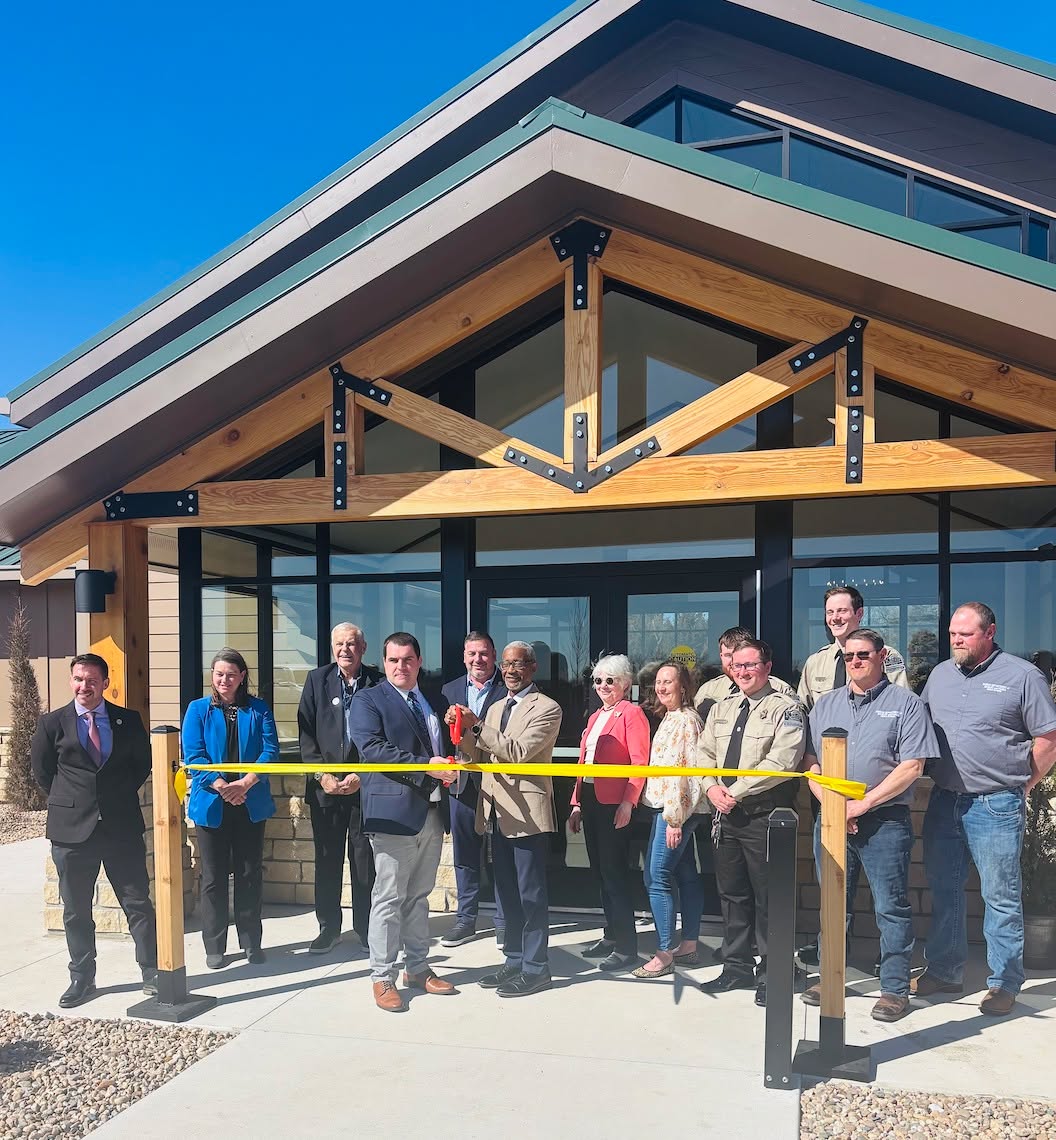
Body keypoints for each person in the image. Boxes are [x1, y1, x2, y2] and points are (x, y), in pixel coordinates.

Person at [914, 602, 1056, 1017]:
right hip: (945, 800)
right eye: (952, 634)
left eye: (965, 634)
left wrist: (1023, 784)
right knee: (944, 889)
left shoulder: (1022, 676)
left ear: (990, 632)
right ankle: (945, 970)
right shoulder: (940, 675)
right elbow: (918, 728)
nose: (956, 640)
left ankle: (1004, 983)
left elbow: (1048, 739)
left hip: (995, 803)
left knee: (1000, 896)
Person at [800, 628, 939, 1022]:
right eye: (849, 656)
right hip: (832, 819)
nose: (855, 661)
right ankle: (829, 978)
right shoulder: (825, 705)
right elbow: (810, 763)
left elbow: (912, 766)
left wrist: (860, 806)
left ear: (881, 657)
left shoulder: (907, 704)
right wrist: (835, 806)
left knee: (890, 906)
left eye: (863, 654)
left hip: (884, 820)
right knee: (833, 904)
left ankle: (894, 989)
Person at [31, 653, 158, 1009]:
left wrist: (112, 798)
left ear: (105, 682)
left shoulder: (128, 720)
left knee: (138, 903)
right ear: (71, 681)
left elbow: (141, 766)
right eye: (78, 679)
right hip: (72, 832)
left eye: (91, 680)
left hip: (120, 827)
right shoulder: (52, 723)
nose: (83, 686)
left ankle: (152, 971)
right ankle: (82, 977)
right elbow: (43, 773)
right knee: (76, 910)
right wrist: (74, 802)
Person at [796, 587, 910, 966]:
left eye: (843, 611)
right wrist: (830, 798)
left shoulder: (885, 656)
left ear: (859, 613)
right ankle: (833, 957)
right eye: (830, 612)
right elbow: (806, 718)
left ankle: (886, 961)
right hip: (827, 795)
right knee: (833, 889)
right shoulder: (815, 663)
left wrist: (859, 804)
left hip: (875, 800)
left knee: (886, 894)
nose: (836, 618)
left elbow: (898, 715)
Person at [349, 632, 458, 1012]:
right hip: (392, 815)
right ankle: (382, 976)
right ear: (384, 663)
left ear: (419, 661)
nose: (401, 666)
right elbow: (373, 749)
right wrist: (427, 767)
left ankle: (417, 967)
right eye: (394, 660)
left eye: (408, 659)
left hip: (432, 811)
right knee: (389, 898)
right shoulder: (368, 700)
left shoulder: (433, 700)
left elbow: (442, 747)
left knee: (419, 896)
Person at [449, 641, 562, 996]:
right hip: (495, 811)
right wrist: (461, 730)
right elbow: (477, 753)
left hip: (528, 814)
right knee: (507, 893)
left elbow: (518, 752)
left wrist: (477, 726)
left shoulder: (547, 708)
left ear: (533, 668)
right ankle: (513, 960)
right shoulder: (496, 707)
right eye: (507, 664)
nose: (511, 671)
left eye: (519, 664)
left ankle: (536, 968)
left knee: (530, 894)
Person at [699, 638, 806, 1006]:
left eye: (750, 665)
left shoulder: (786, 708)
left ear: (767, 667)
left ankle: (774, 972)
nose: (742, 671)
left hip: (764, 815)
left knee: (768, 897)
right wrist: (711, 788)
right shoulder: (722, 708)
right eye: (737, 665)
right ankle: (736, 967)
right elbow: (703, 753)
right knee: (732, 895)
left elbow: (782, 762)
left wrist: (735, 790)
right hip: (726, 814)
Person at [183, 648, 278, 969]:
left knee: (250, 874)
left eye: (231, 674)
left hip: (250, 802)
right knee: (213, 877)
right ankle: (215, 945)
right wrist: (223, 786)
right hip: (212, 803)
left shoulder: (259, 709)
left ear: (242, 677)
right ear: (212, 676)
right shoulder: (197, 710)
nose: (225, 680)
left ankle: (251, 942)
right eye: (219, 674)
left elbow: (270, 751)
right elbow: (194, 755)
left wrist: (245, 784)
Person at [297, 622, 382, 955]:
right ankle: (328, 928)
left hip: (364, 789)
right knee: (327, 859)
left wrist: (363, 773)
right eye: (339, 644)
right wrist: (322, 775)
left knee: (364, 862)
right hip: (326, 789)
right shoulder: (316, 680)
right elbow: (305, 734)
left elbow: (383, 733)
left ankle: (365, 929)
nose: (345, 649)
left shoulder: (377, 681)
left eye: (351, 644)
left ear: (363, 648)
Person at [569, 653, 650, 972]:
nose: (603, 685)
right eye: (598, 680)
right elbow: (584, 763)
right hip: (590, 798)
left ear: (625, 683)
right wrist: (576, 803)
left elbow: (639, 762)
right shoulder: (594, 717)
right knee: (600, 873)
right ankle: (611, 934)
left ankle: (627, 948)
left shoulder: (632, 713)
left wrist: (629, 802)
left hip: (614, 803)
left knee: (614, 874)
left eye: (610, 680)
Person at [633, 660, 709, 979]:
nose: (662, 687)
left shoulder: (687, 721)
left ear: (684, 686)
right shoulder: (669, 717)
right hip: (668, 808)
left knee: (657, 876)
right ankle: (688, 945)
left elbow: (687, 772)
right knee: (686, 873)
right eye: (659, 682)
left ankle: (664, 953)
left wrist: (676, 820)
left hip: (675, 810)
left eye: (669, 681)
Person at [440, 631, 507, 948]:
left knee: (502, 854)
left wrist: (475, 721)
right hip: (461, 785)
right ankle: (465, 920)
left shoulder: (508, 688)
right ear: (464, 657)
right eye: (472, 654)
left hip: (500, 785)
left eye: (483, 653)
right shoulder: (448, 690)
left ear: (493, 655)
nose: (478, 659)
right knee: (465, 855)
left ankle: (505, 922)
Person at [695, 627, 795, 717]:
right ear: (721, 656)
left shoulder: (781, 689)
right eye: (728, 655)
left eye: (739, 656)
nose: (733, 661)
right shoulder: (708, 690)